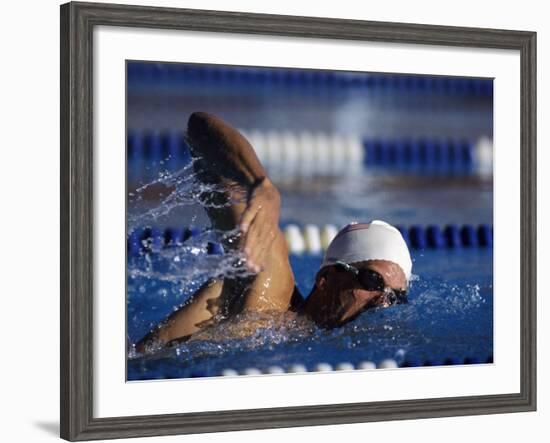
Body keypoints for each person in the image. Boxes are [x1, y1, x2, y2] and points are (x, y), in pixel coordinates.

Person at [135, 112, 412, 353]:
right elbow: (199, 127)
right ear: (326, 278)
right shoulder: (269, 280)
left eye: (396, 296)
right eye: (373, 281)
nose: (383, 301)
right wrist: (260, 184)